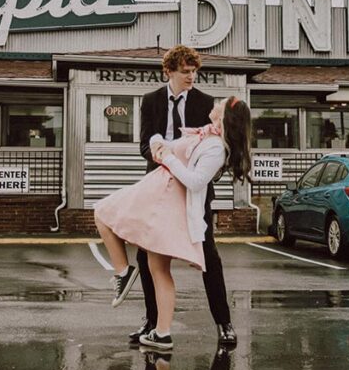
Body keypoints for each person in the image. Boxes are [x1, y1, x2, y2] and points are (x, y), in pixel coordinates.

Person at [94, 93, 252, 350]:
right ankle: (157, 328)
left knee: (177, 263)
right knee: (151, 261)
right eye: (186, 71)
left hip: (171, 199)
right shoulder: (202, 132)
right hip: (159, 191)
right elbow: (164, 144)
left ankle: (213, 324)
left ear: (225, 117)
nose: (215, 104)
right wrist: (159, 143)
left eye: (220, 105)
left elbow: (194, 178)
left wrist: (167, 157)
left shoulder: (214, 144)